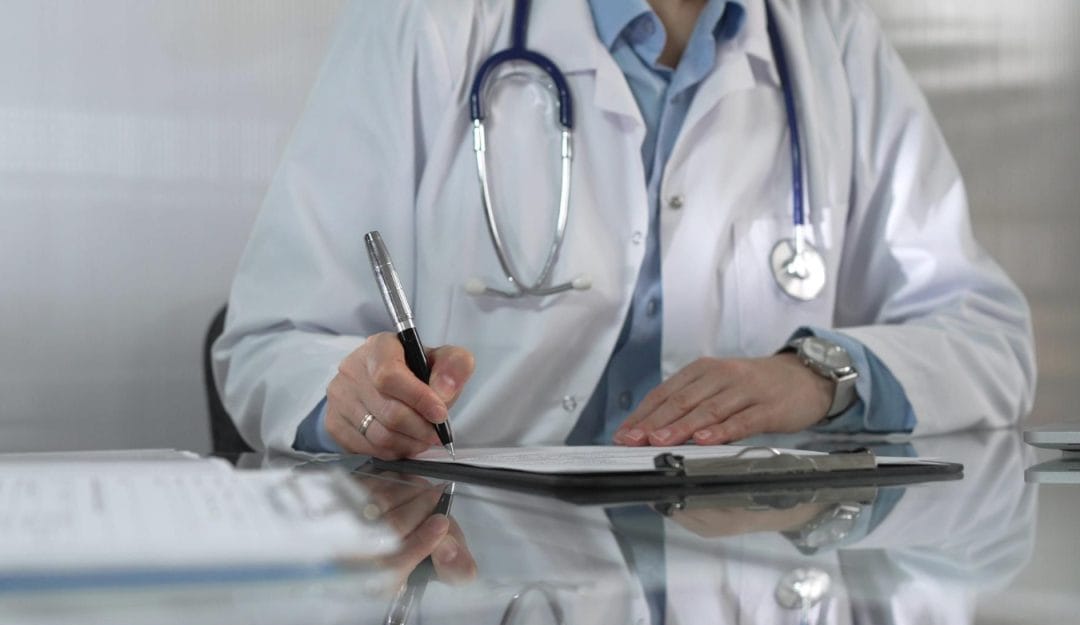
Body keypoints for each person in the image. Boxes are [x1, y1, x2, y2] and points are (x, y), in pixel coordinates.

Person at [213, 0, 1036, 463]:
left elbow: (989, 340)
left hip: (746, 588)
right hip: (478, 576)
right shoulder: (429, 20)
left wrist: (821, 374)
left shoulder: (830, 41)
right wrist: (347, 399)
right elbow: (271, 340)